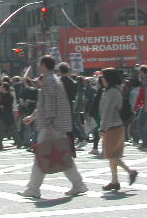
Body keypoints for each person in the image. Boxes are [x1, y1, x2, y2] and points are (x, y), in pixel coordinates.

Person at [19, 56, 88, 199]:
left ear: (44, 65)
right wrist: (32, 117)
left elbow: (50, 105)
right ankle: (78, 184)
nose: (38, 65)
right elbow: (45, 104)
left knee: (42, 155)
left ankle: (33, 189)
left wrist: (48, 123)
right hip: (56, 124)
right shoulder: (51, 79)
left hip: (52, 125)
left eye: (39, 63)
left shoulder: (50, 81)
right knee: (62, 155)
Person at [99, 68, 138, 191]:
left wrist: (103, 128)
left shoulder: (111, 92)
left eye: (103, 77)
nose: (102, 80)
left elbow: (108, 111)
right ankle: (115, 181)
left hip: (112, 127)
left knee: (111, 155)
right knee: (113, 155)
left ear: (107, 79)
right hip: (117, 126)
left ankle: (130, 171)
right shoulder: (115, 89)